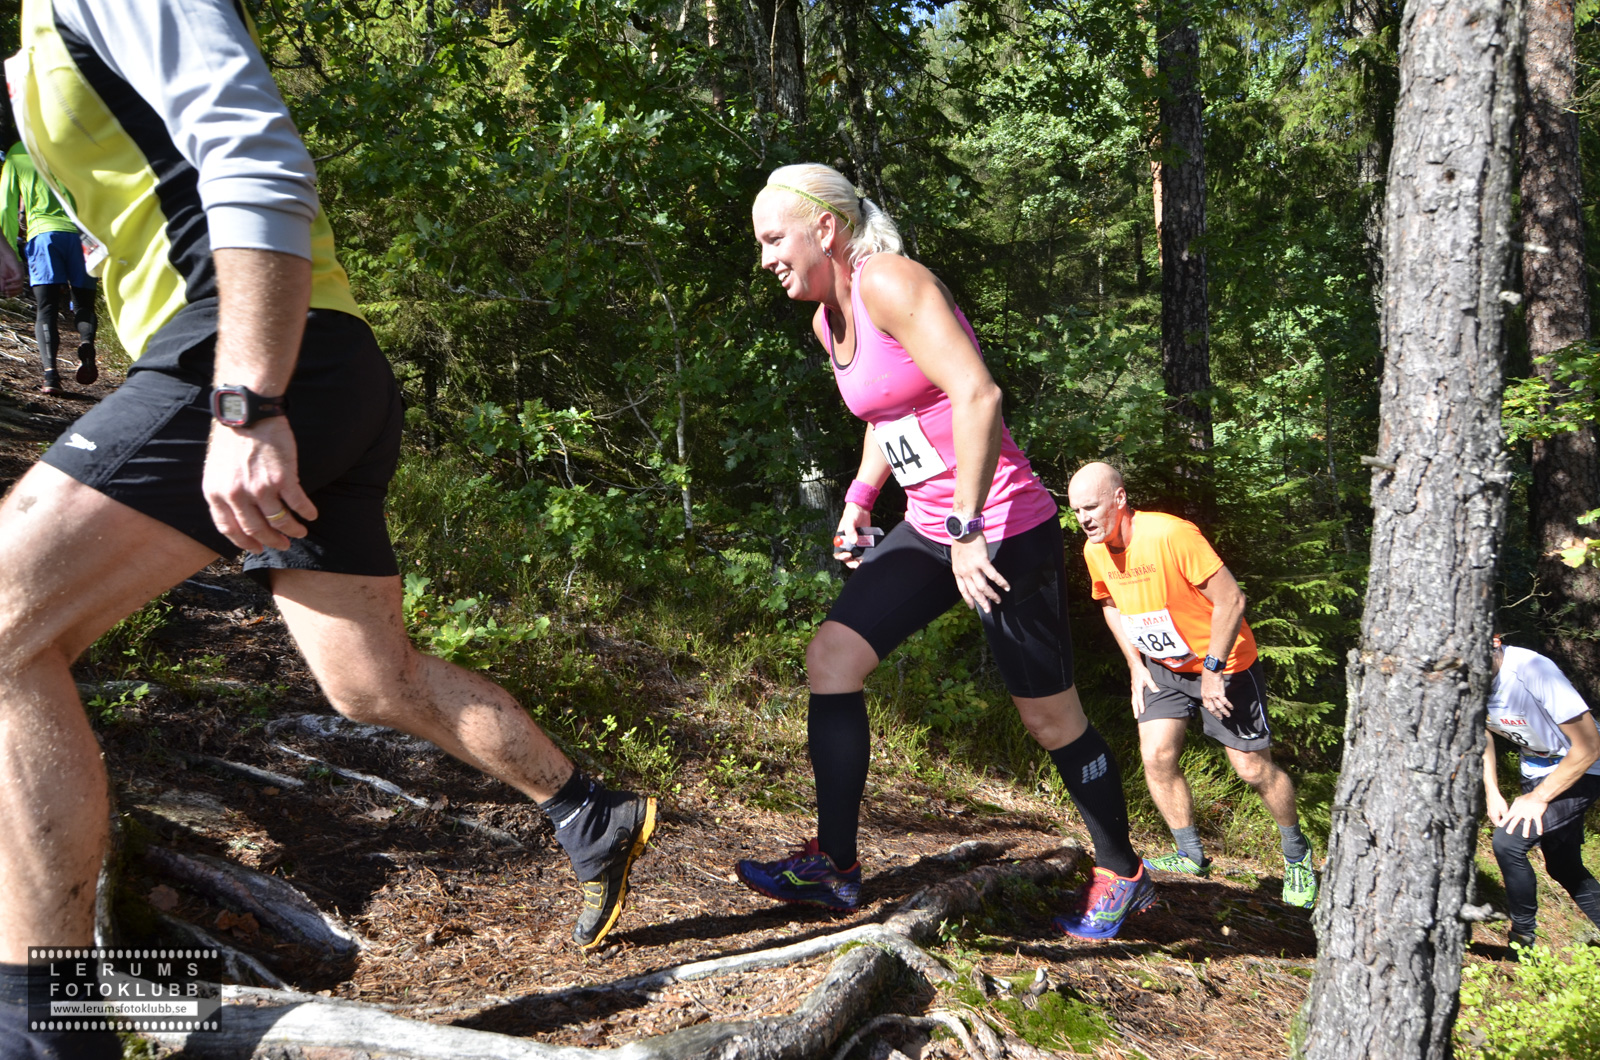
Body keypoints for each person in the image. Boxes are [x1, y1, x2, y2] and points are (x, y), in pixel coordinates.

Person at [0, 3, 656, 1056]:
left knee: (5, 629)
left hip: (246, 355)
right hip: (317, 361)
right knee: (370, 680)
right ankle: (589, 809)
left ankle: (44, 1031)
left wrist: (245, 403)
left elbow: (256, 151)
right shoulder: (38, 35)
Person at [737, 163, 1153, 941]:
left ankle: (1122, 870)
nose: (765, 259)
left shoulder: (890, 281)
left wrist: (966, 527)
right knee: (833, 658)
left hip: (1000, 525)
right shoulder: (829, 320)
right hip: (932, 527)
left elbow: (978, 394)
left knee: (1050, 718)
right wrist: (861, 498)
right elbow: (886, 412)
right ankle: (834, 865)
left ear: (824, 228)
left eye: (773, 239)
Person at [1065, 462, 1318, 908]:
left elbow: (1232, 599)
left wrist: (1213, 670)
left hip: (1225, 665)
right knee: (1156, 756)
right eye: (1076, 511)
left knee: (1252, 769)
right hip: (1163, 667)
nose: (1084, 519)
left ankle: (1297, 856)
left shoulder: (1170, 534)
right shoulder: (1095, 549)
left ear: (1119, 499)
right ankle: (1191, 854)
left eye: (1090, 507)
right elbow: (1109, 603)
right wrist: (1135, 665)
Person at [1483, 637, 1600, 950]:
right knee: (1563, 865)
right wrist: (1492, 790)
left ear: (1494, 641)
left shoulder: (1533, 669)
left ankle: (1522, 944)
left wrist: (1538, 797)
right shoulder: (1463, 676)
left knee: (1508, 843)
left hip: (1584, 765)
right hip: (1536, 767)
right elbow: (1481, 734)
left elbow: (1589, 747)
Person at [0, 139, 99, 394]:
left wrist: (9, 252)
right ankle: (87, 343)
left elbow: (7, 206)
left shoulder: (18, 152)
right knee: (84, 304)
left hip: (44, 236)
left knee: (47, 308)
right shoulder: (76, 145)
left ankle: (51, 376)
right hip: (83, 237)